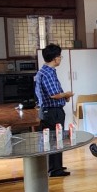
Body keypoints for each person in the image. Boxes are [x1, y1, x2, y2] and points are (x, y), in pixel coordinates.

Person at [35, 44, 73, 177]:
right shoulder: (48, 73)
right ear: (55, 58)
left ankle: (56, 167)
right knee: (56, 139)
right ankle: (55, 170)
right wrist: (67, 94)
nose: (60, 59)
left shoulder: (44, 71)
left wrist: (64, 97)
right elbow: (53, 94)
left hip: (49, 111)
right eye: (60, 57)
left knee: (54, 139)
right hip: (52, 112)